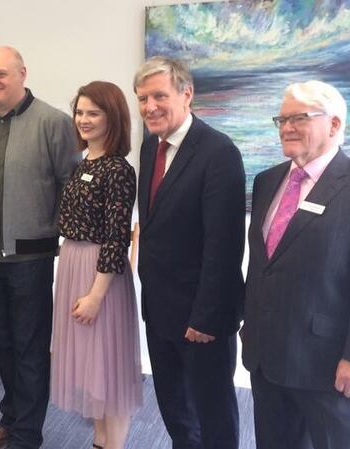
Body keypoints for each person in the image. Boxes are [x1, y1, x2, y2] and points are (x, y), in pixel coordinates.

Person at [243, 80, 350, 449]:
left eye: (299, 118)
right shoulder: (267, 181)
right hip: (268, 358)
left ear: (334, 125)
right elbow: (267, 266)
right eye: (281, 119)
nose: (286, 127)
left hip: (330, 367)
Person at [0, 46, 79, 449]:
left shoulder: (53, 122)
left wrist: (58, 234)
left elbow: (72, 184)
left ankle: (27, 436)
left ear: (22, 74)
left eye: (1, 74)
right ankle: (10, 420)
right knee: (4, 346)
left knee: (30, 348)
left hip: (29, 258)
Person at [134, 56, 246, 449]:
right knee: (175, 409)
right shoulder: (151, 147)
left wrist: (207, 317)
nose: (150, 106)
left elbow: (225, 246)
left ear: (187, 94)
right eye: (143, 97)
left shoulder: (219, 153)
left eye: (159, 95)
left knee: (212, 413)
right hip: (160, 310)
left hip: (202, 318)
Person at [50, 81, 143, 449]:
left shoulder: (118, 170)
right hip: (73, 262)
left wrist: (95, 296)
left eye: (94, 112)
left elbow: (117, 239)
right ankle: (100, 442)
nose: (84, 119)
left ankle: (113, 444)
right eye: (80, 112)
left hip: (100, 276)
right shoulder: (83, 162)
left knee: (110, 370)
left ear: (113, 117)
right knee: (92, 372)